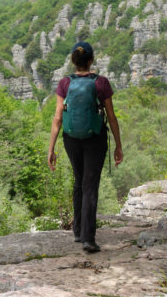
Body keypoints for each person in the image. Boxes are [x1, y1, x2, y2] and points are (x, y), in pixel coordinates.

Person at [47, 41, 123, 253]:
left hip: (70, 139)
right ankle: (89, 239)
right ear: (91, 60)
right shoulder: (101, 83)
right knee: (90, 184)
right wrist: (118, 145)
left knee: (79, 181)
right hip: (95, 139)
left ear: (74, 61)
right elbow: (111, 116)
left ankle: (78, 231)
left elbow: (57, 118)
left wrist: (51, 149)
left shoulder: (65, 83)